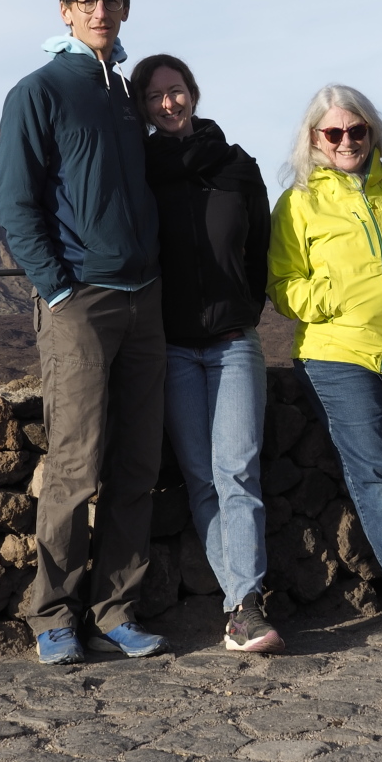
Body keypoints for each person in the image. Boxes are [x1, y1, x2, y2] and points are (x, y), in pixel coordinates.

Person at [0, 0, 170, 665]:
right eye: (86, 1)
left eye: (111, 0)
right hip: (81, 304)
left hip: (144, 300)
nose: (100, 11)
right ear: (64, 10)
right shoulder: (38, 91)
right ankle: (54, 617)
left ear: (125, 7)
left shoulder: (124, 97)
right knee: (74, 465)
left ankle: (117, 610)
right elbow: (14, 203)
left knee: (136, 466)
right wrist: (58, 288)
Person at [268, 85, 382, 634]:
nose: (346, 140)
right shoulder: (299, 201)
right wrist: (334, 301)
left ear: (373, 133)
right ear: (314, 140)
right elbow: (282, 285)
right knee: (375, 476)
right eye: (334, 132)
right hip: (335, 355)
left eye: (357, 130)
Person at [129, 53, 281, 654]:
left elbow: (258, 252)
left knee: (237, 471)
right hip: (170, 347)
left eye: (177, 91)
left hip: (232, 343)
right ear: (142, 107)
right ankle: (239, 606)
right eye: (156, 96)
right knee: (201, 477)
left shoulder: (236, 166)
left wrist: (241, 309)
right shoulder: (138, 172)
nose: (169, 103)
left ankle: (247, 605)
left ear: (193, 93)